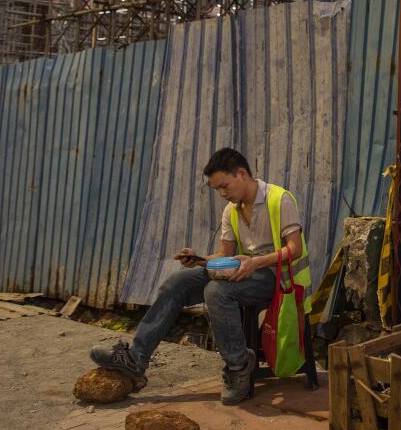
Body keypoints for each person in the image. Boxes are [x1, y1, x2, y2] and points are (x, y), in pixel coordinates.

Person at [90, 148, 308, 405]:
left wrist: (256, 262)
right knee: (177, 282)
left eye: (224, 186)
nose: (223, 194)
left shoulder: (279, 198)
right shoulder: (231, 210)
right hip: (241, 270)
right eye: (217, 190)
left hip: (276, 278)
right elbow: (224, 254)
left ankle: (238, 366)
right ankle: (136, 358)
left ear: (241, 174)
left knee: (216, 292)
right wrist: (200, 259)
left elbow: (295, 249)